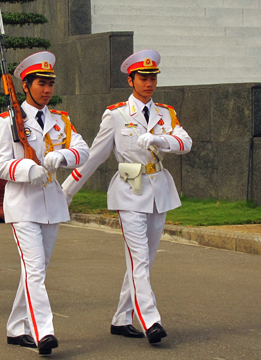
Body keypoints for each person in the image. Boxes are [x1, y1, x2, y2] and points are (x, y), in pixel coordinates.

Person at [62, 49, 192, 344]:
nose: (149, 83)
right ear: (131, 80)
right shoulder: (117, 115)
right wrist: (67, 190)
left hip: (158, 187)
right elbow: (93, 157)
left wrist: (161, 139)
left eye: (152, 78)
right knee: (139, 260)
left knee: (143, 260)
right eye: (143, 78)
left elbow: (185, 142)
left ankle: (122, 318)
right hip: (129, 183)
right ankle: (151, 320)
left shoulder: (165, 113)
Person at [0, 51, 90, 355]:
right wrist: (26, 169)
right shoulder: (8, 121)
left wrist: (63, 156)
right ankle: (42, 331)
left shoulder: (60, 120)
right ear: (26, 85)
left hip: (51, 202)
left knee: (37, 269)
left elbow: (83, 149)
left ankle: (15, 327)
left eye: (50, 84)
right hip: (22, 204)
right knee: (34, 268)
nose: (47, 90)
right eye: (41, 83)